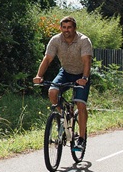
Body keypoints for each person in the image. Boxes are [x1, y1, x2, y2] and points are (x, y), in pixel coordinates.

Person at [33, 15, 93, 149]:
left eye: (69, 27)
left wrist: (84, 78)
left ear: (74, 28)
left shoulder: (84, 41)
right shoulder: (56, 40)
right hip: (65, 72)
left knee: (80, 104)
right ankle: (62, 117)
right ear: (60, 28)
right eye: (64, 27)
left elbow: (86, 62)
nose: (67, 30)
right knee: (52, 92)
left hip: (81, 74)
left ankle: (81, 139)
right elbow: (47, 59)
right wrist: (39, 75)